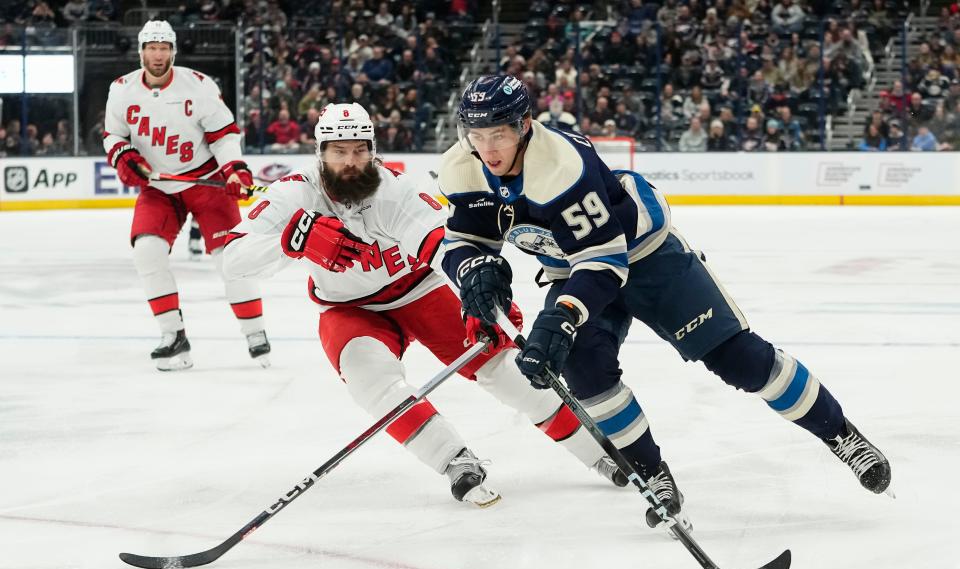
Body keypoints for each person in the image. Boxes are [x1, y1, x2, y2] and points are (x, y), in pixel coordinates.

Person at [438, 75, 893, 531]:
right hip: (573, 266)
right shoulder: (463, 167)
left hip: (642, 253)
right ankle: (653, 474)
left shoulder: (561, 165)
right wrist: (472, 272)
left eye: (499, 133)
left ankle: (841, 435)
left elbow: (604, 260)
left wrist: (564, 315)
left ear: (525, 125)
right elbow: (462, 240)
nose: (488, 148)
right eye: (477, 135)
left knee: (739, 359)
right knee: (584, 371)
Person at [221, 104, 628, 507]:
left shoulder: (392, 189)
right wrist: (290, 240)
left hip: (421, 291)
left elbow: (441, 246)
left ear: (373, 150)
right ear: (320, 152)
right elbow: (232, 261)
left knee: (503, 370)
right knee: (370, 379)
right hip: (349, 309)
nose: (350, 162)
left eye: (360, 150)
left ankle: (600, 453)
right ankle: (454, 461)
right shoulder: (291, 194)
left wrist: (477, 290)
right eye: (339, 151)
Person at [103, 20, 270, 371]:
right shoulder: (121, 90)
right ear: (141, 52)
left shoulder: (199, 85)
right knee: (147, 252)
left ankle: (255, 332)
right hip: (159, 188)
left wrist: (234, 169)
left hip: (206, 183)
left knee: (231, 261)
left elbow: (224, 135)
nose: (158, 55)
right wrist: (124, 156)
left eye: (164, 48)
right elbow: (113, 136)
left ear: (173, 51)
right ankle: (173, 336)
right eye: (152, 48)